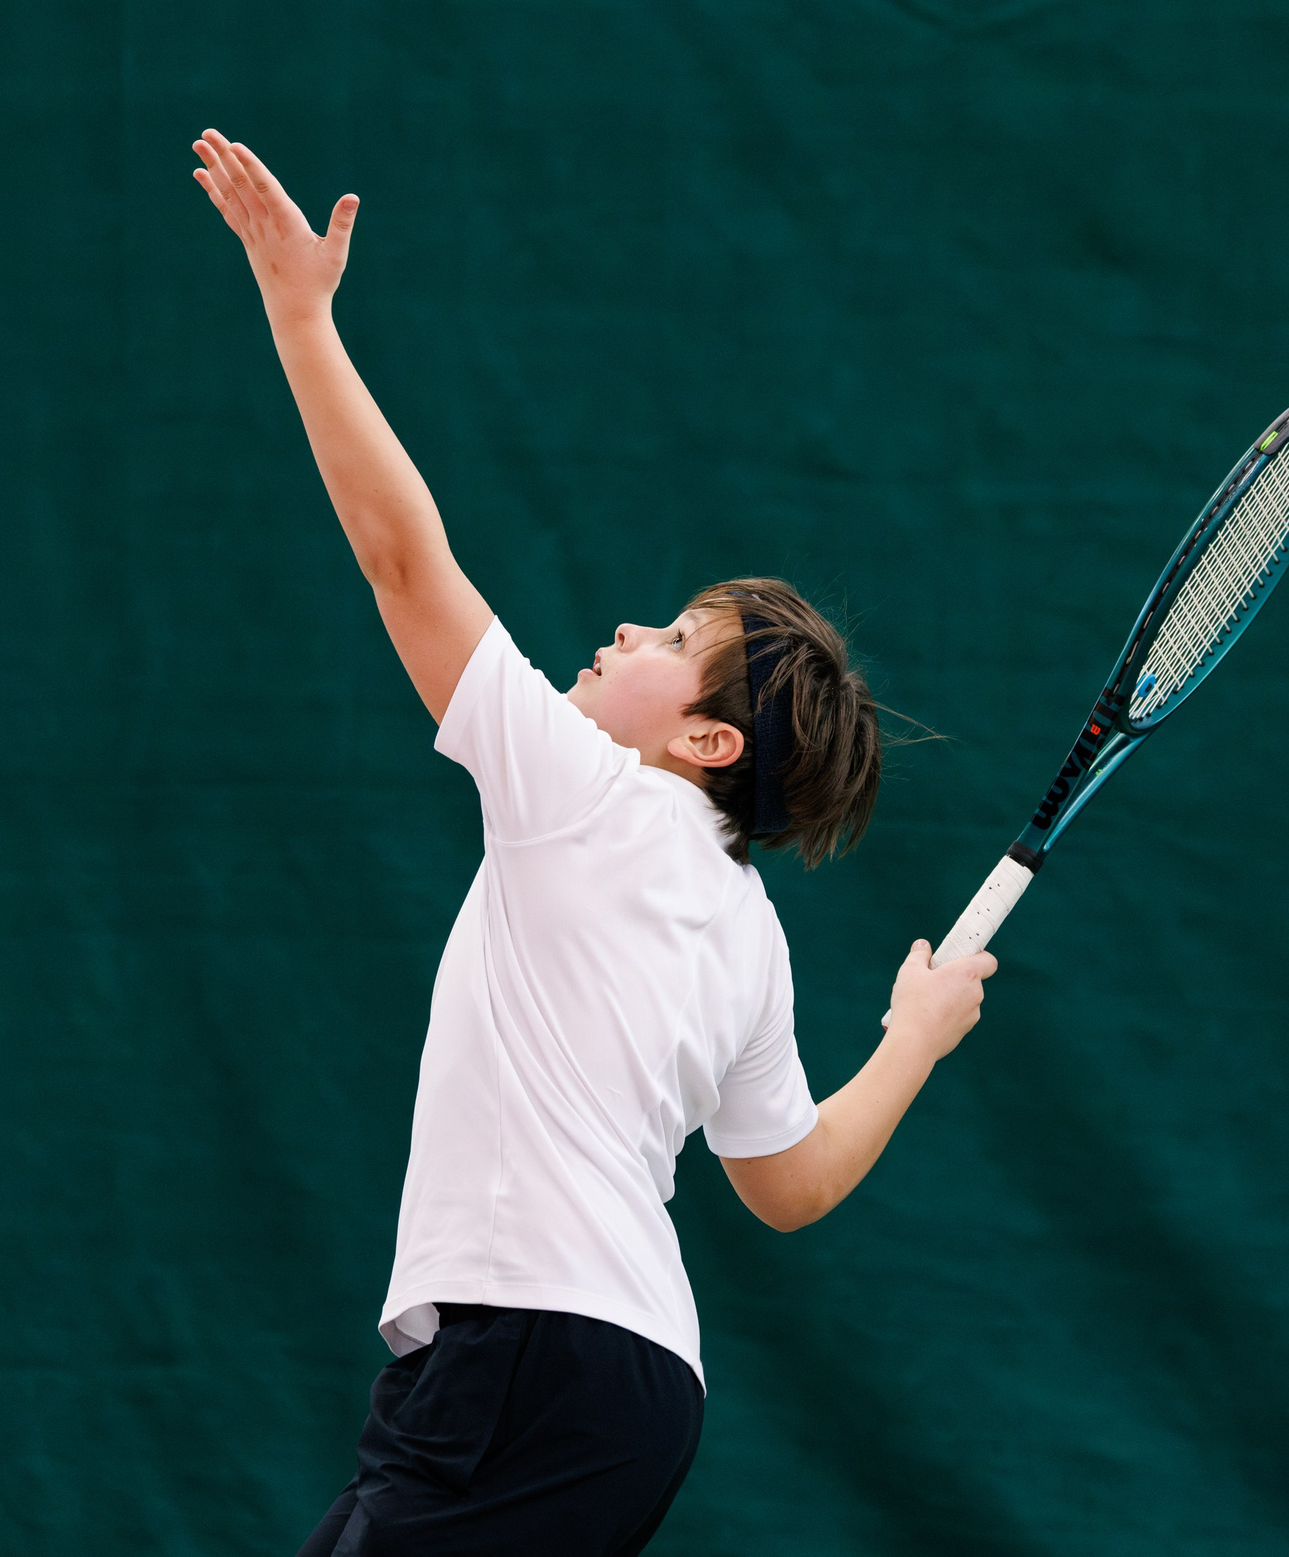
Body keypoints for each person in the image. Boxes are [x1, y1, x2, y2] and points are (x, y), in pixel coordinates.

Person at [191, 130, 996, 1557]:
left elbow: (402, 556)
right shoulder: (747, 932)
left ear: (706, 743)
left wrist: (301, 316)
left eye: (673, 642)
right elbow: (790, 1181)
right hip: (628, 1386)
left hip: (529, 1354)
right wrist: (915, 1042)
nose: (627, 632)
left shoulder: (585, 791)